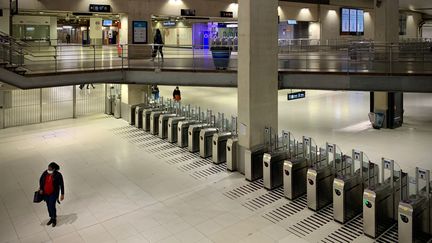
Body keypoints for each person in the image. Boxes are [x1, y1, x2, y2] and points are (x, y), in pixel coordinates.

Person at [39, 162, 64, 227]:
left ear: (54, 169)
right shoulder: (45, 173)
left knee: (51, 205)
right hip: (46, 193)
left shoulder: (58, 175)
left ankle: (54, 218)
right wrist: (41, 189)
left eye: (50, 169)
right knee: (48, 206)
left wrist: (62, 194)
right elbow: (41, 180)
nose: (48, 170)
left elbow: (61, 185)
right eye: (48, 168)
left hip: (53, 193)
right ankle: (51, 217)